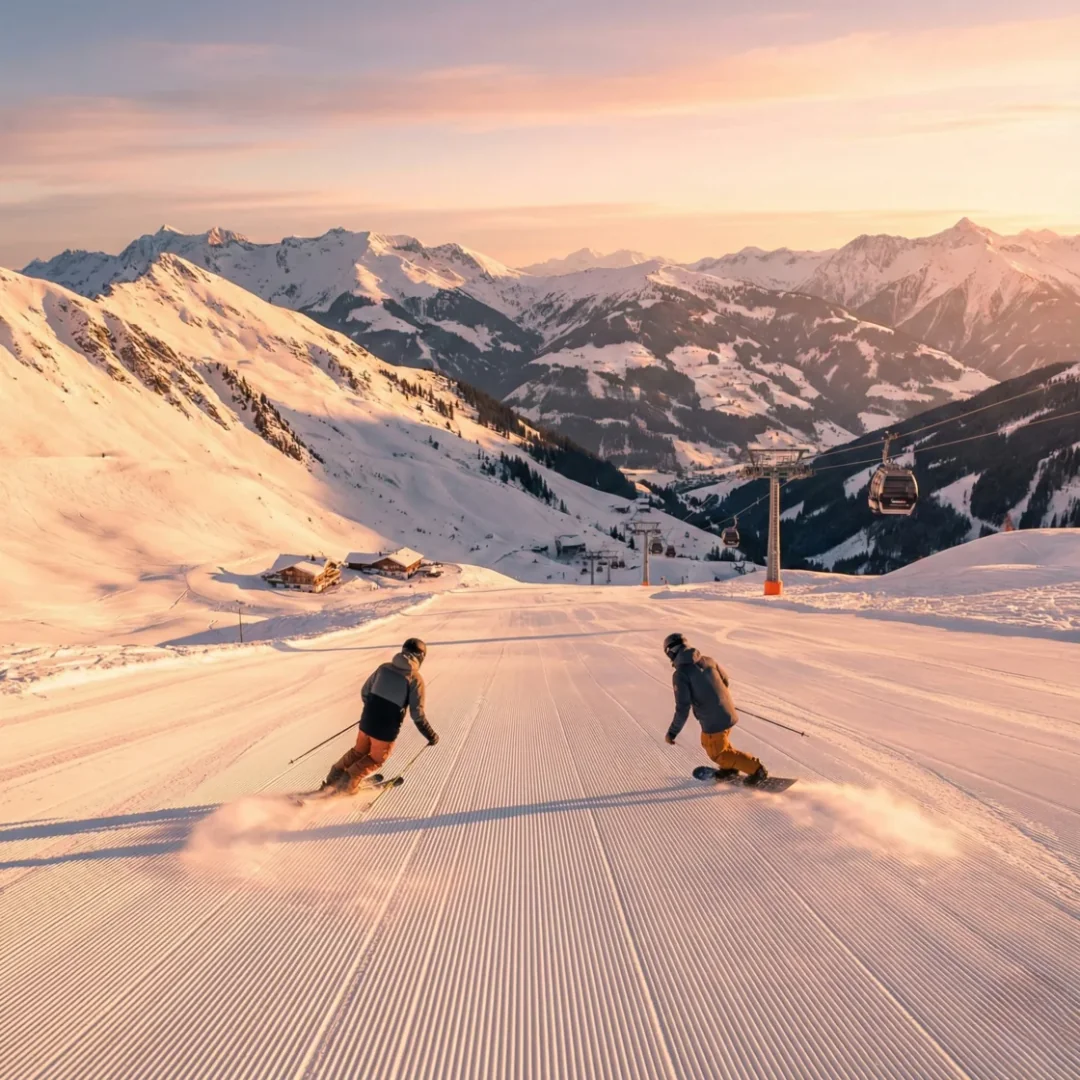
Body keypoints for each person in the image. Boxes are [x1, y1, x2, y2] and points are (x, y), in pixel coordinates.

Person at [322, 637, 438, 795]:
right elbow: (417, 714)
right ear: (421, 657)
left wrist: (373, 709)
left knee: (358, 751)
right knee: (376, 758)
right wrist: (431, 735)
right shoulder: (415, 679)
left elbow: (365, 692)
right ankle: (348, 783)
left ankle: (334, 776)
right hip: (385, 730)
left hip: (366, 722)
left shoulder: (383, 668)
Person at [662, 632, 768, 786]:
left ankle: (757, 770)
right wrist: (717, 699)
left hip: (713, 719)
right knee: (709, 742)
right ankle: (729, 769)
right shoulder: (708, 660)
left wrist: (672, 732)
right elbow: (725, 680)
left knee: (718, 753)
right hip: (727, 711)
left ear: (671, 652)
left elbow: (682, 708)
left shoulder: (681, 674)